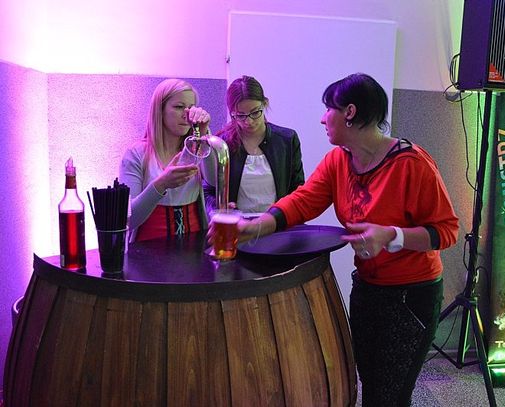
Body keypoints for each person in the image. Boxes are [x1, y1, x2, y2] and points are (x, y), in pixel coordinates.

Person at [210, 73, 459, 406]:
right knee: (370, 380)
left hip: (411, 296)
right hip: (367, 287)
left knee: (390, 394)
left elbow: (446, 231)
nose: (323, 118)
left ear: (350, 113)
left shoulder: (412, 164)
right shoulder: (339, 160)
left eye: (328, 109)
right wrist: (255, 227)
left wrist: (391, 235)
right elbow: (303, 201)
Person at [119, 78, 212, 242]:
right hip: (148, 248)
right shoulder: (137, 153)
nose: (187, 115)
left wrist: (204, 136)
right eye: (179, 107)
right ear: (160, 110)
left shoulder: (196, 147)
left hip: (194, 246)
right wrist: (160, 184)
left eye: (191, 108)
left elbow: (214, 181)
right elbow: (127, 220)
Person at [203, 75, 305, 214]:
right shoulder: (221, 144)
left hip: (277, 222)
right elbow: (207, 190)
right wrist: (220, 207)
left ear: (265, 104)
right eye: (240, 115)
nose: (249, 121)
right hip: (237, 222)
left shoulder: (287, 139)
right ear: (232, 114)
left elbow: (298, 189)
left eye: (255, 112)